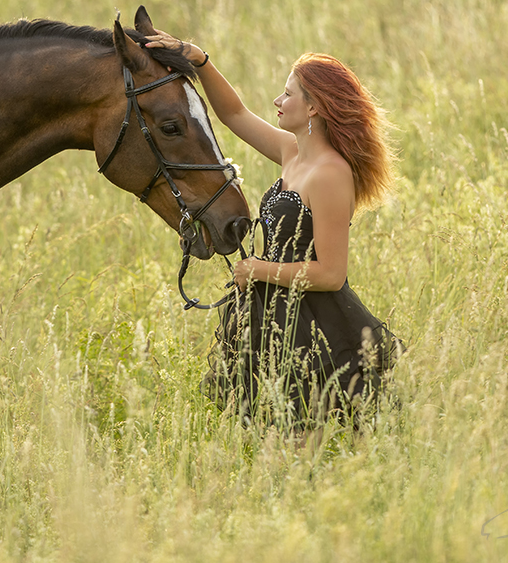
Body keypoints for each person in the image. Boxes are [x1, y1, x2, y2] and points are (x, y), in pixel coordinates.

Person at [143, 28, 402, 427]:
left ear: (314, 107)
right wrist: (200, 61)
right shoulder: (292, 154)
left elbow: (332, 274)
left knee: (300, 446)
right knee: (275, 446)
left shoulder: (331, 174)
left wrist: (258, 270)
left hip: (317, 324)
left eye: (288, 94)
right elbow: (234, 114)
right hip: (276, 317)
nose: (278, 102)